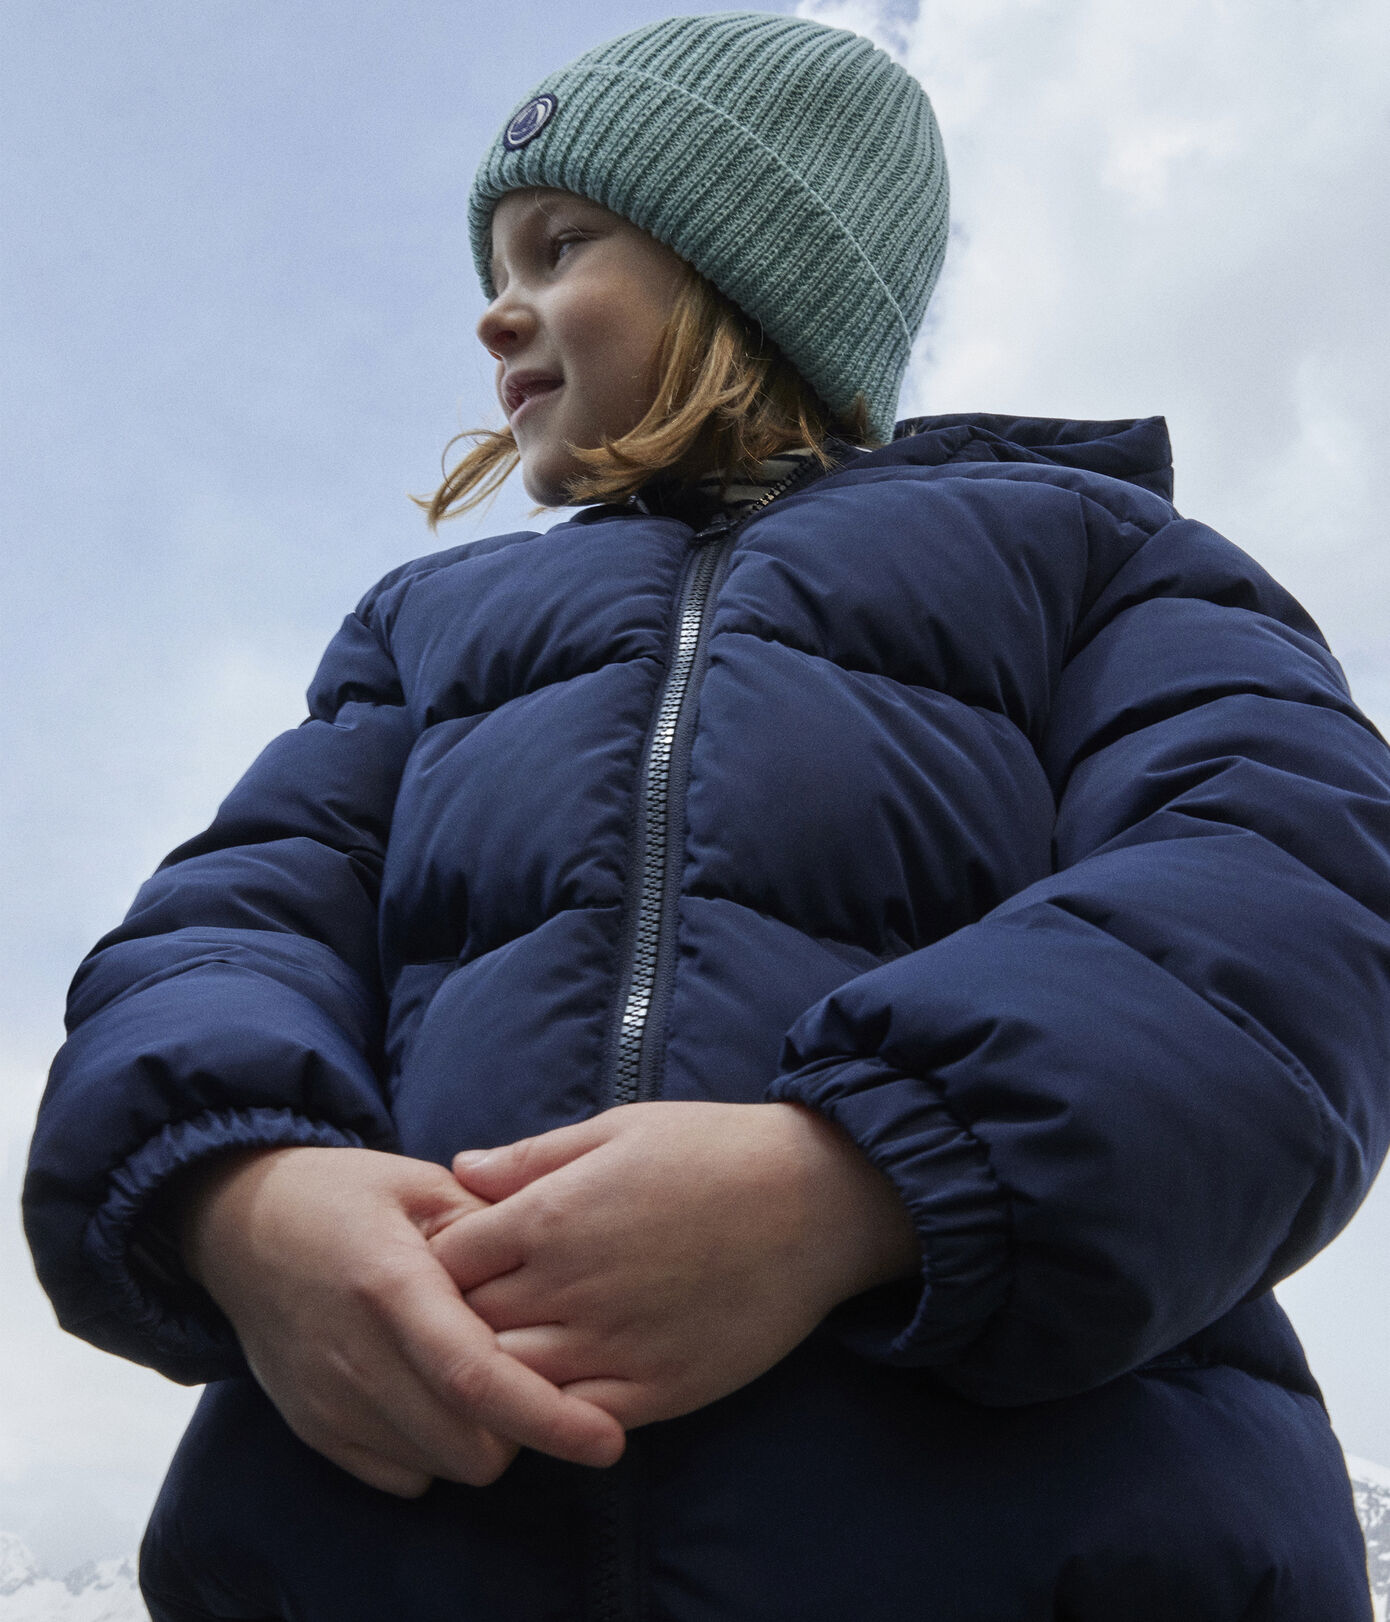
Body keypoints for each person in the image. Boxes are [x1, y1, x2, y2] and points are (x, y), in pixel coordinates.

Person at [22, 11, 1390, 1620]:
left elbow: (1281, 883)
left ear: (758, 263)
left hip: (1030, 1543)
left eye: (560, 246)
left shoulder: (1089, 557)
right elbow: (227, 922)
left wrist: (859, 1180)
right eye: (496, 262)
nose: (494, 310)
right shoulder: (424, 629)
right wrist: (239, 1191)